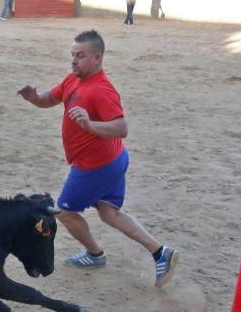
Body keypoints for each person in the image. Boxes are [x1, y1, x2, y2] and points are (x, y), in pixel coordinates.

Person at [17, 30, 179, 285]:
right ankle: (161, 253)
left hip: (96, 166)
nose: (73, 60)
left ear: (97, 58)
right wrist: (34, 98)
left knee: (66, 213)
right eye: (72, 55)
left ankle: (95, 254)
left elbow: (121, 127)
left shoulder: (102, 90)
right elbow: (51, 97)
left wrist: (90, 126)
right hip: (110, 160)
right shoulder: (73, 79)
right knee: (109, 213)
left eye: (80, 56)